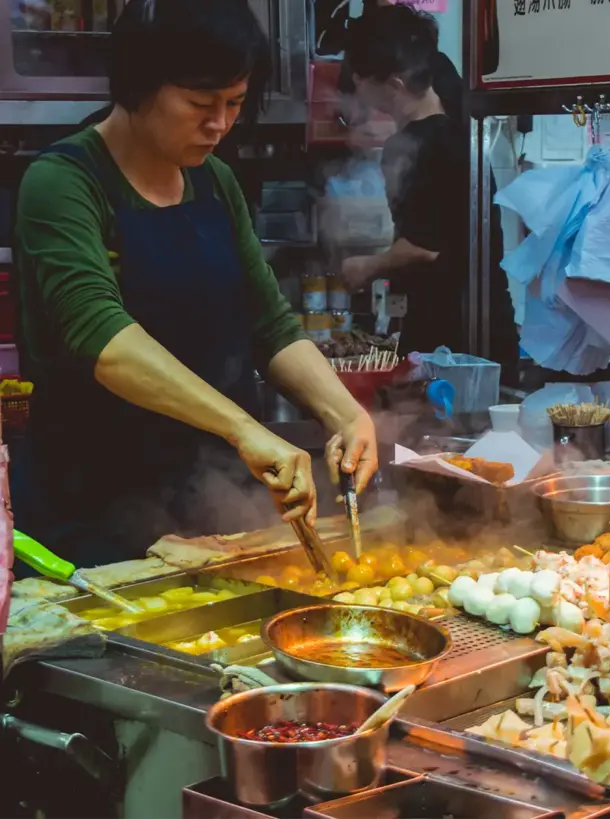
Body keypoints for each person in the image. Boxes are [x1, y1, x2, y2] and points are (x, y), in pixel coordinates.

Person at [11, 0, 377, 569]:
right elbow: (104, 340)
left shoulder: (214, 182)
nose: (221, 124)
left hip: (217, 500)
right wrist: (243, 428)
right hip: (97, 510)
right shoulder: (63, 183)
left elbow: (270, 323)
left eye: (234, 104)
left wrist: (347, 414)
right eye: (201, 104)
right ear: (138, 86)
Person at [337, 5, 519, 383]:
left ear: (395, 85)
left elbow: (424, 247)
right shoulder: (451, 104)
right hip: (490, 326)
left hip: (448, 341)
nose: (356, 88)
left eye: (360, 79)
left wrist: (364, 266)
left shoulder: (417, 145)